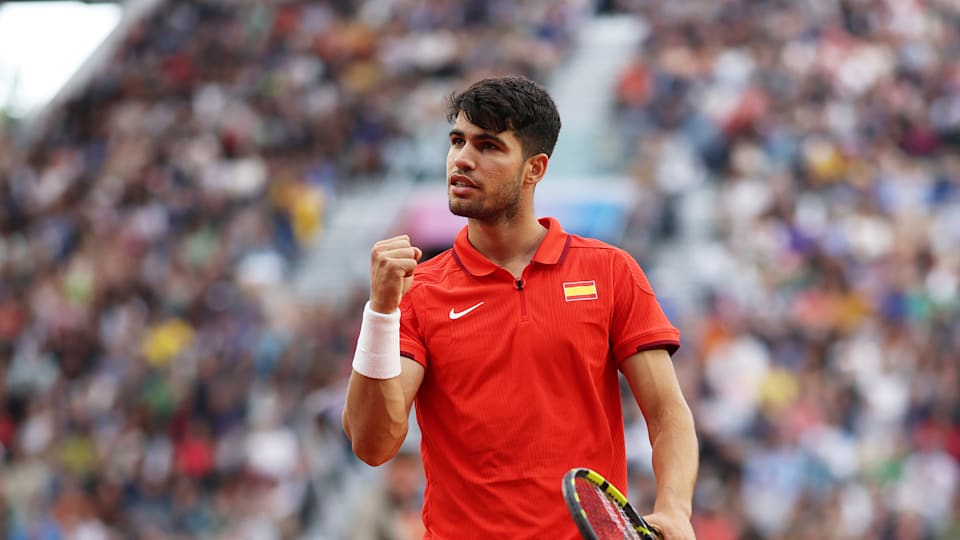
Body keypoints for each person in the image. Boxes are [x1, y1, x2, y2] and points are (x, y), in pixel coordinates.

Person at [343, 76, 698, 539]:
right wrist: (381, 313)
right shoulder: (420, 292)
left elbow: (668, 414)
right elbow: (373, 443)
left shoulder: (611, 272)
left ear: (534, 169)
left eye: (488, 146)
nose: (462, 159)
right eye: (457, 141)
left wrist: (674, 508)